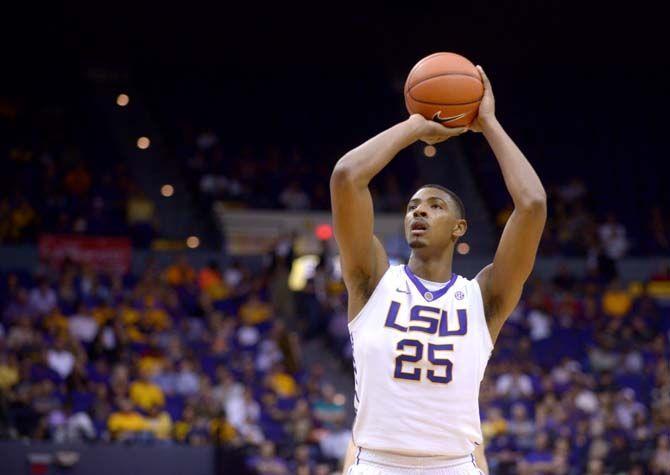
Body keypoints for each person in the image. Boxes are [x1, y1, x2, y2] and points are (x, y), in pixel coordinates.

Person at [330, 66, 546, 474]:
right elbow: (346, 177)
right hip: (377, 463)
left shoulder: (483, 297)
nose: (420, 211)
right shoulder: (372, 279)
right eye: (413, 206)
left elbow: (532, 204)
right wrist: (413, 125)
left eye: (434, 206)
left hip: (453, 465)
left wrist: (489, 124)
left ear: (459, 229)